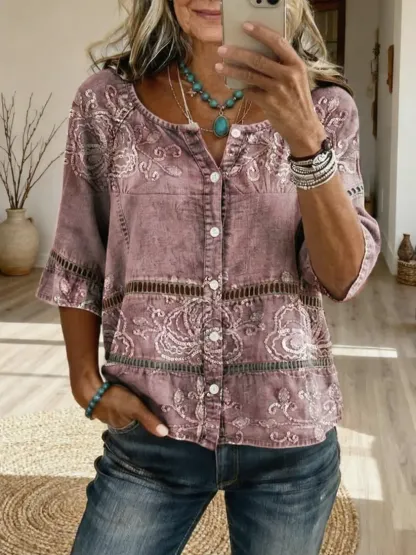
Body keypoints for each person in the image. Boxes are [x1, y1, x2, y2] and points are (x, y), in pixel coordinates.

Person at [37, 1, 381, 553]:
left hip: (289, 443)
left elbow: (341, 277)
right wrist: (85, 382)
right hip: (152, 433)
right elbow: (80, 248)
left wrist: (304, 138)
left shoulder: (326, 109)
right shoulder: (107, 104)